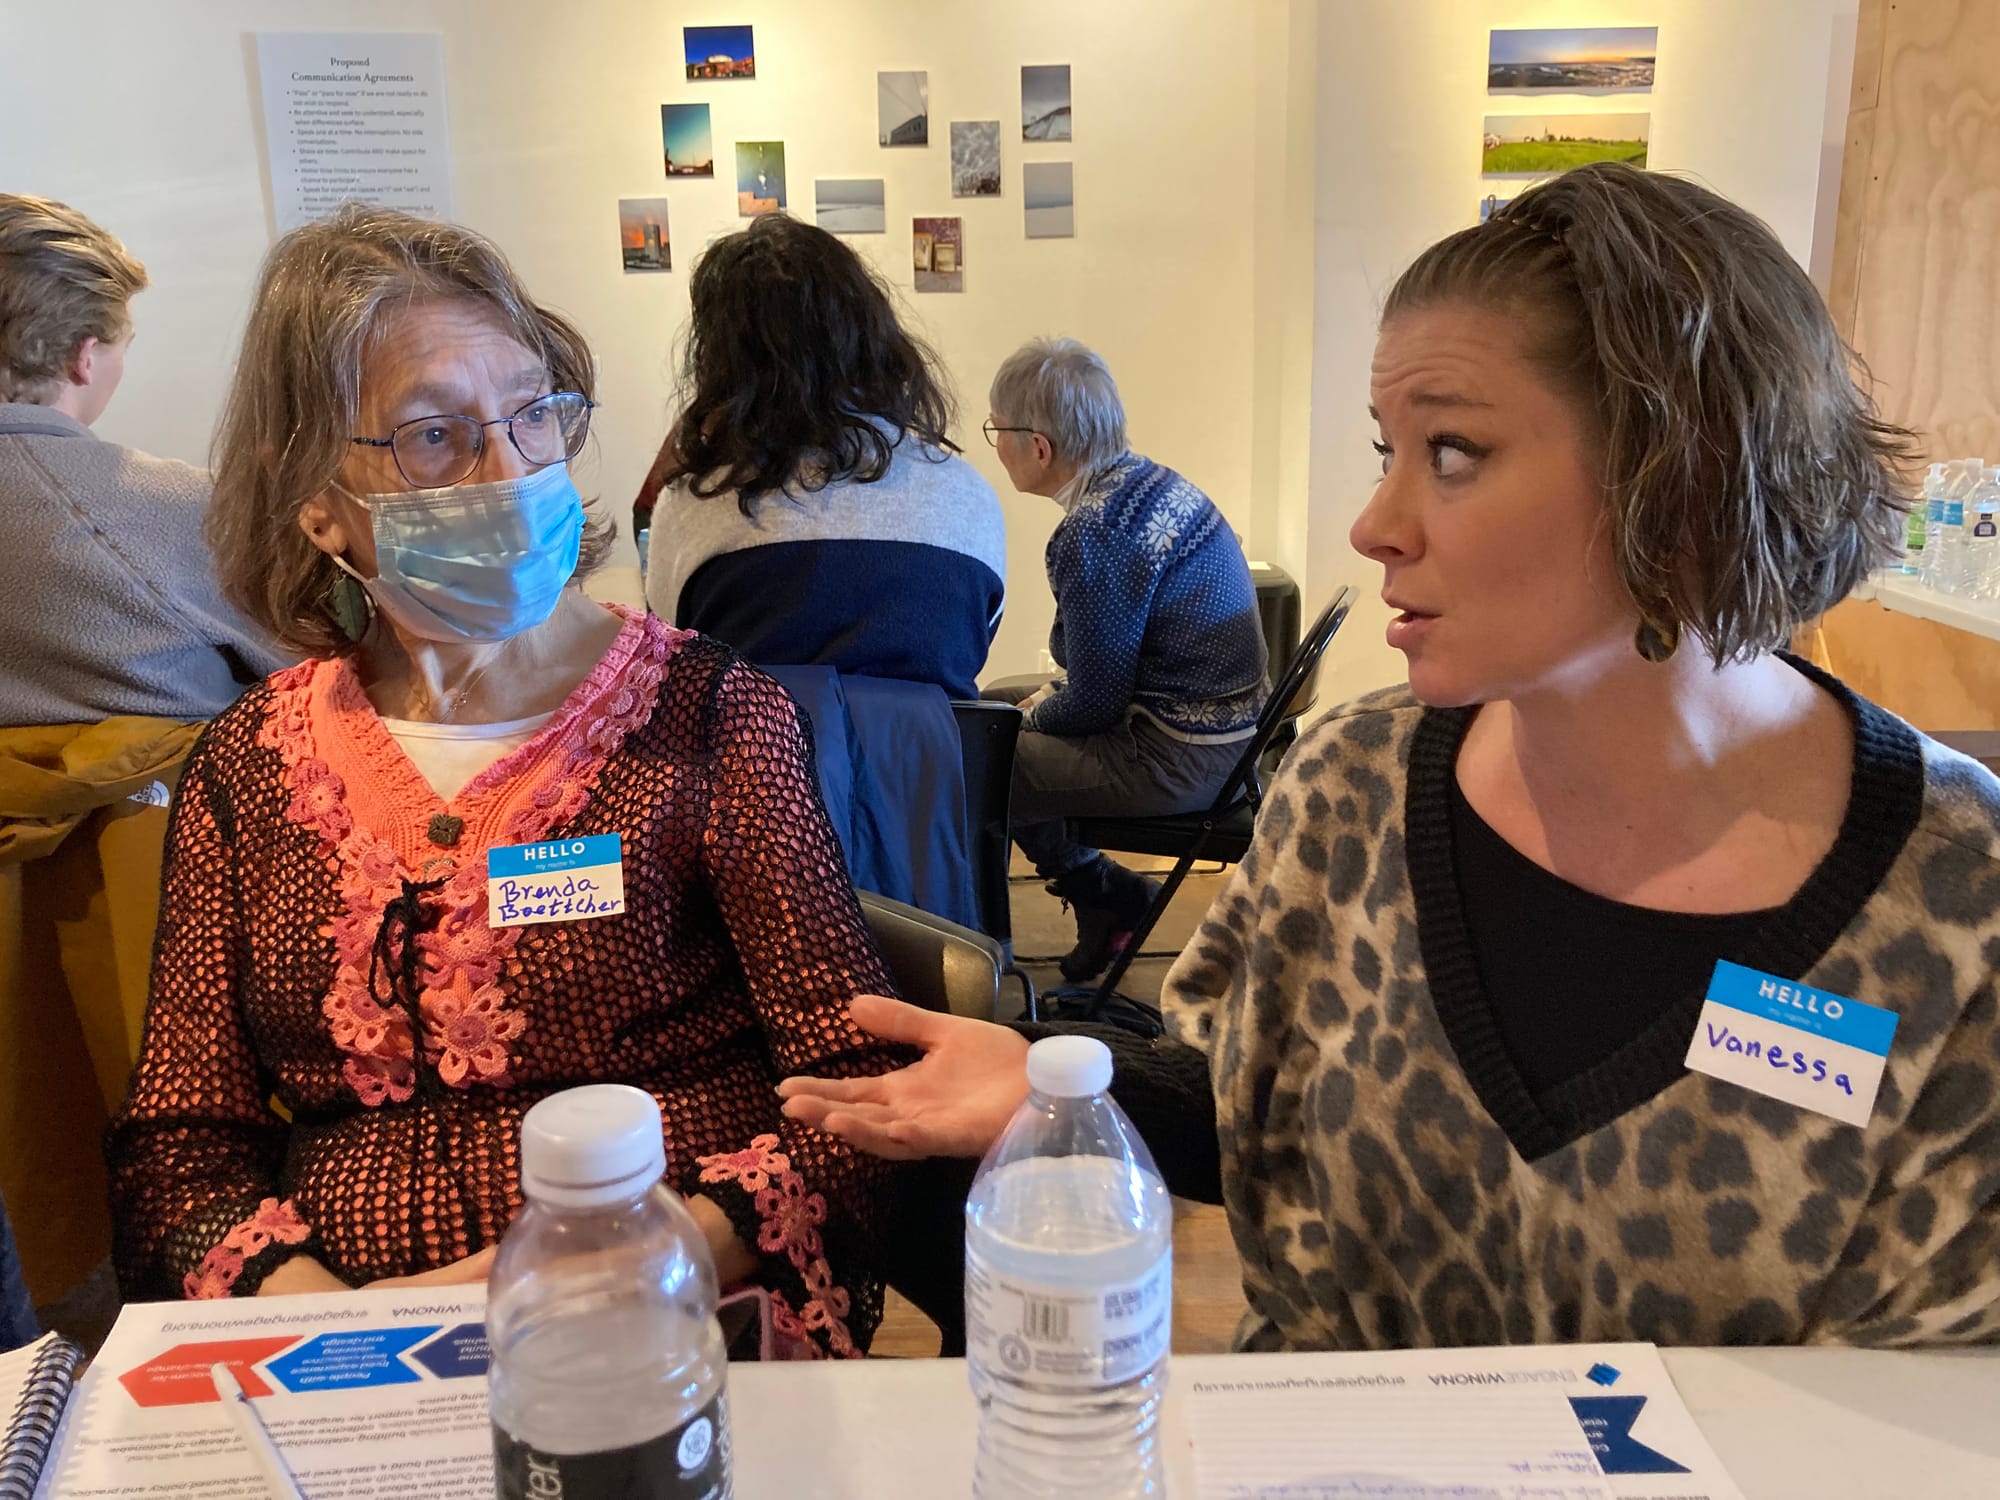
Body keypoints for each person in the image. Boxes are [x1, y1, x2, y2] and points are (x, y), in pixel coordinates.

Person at [782, 163, 2000, 1350]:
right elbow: (1240, 1097)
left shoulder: (1956, 906)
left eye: (1452, 453)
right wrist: (1067, 1088)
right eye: (1385, 451)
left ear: (1680, 473)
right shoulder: (1348, 790)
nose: (1373, 527)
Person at [107, 207, 912, 1358]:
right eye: (432, 436)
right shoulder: (247, 765)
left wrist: (648, 1257)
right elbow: (179, 1148)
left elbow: (858, 1083)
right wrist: (350, 1332)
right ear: (316, 497)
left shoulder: (707, 717)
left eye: (533, 413)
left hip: (666, 1325)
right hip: (340, 1362)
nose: (512, 469)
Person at [983, 338, 1267, 981]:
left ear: (1038, 446)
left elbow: (1094, 703)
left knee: (984, 757)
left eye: (996, 428)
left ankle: (1101, 895)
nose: (994, 444)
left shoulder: (1093, 533)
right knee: (998, 701)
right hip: (1225, 731)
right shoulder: (1150, 482)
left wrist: (1031, 717)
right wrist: (1031, 706)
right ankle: (1106, 894)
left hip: (1183, 753)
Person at [642, 213, 1005, 701]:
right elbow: (972, 647)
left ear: (721, 360)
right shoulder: (969, 498)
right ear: (872, 335)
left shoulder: (691, 507)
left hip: (754, 774)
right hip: (926, 776)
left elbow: (670, 657)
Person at [0, 194, 285, 725]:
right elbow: (313, 675)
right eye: (123, 345)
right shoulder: (190, 508)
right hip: (164, 799)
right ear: (84, 359)